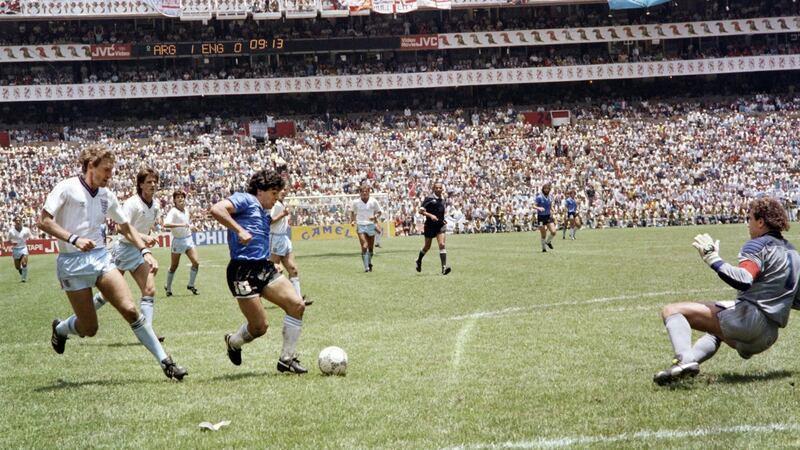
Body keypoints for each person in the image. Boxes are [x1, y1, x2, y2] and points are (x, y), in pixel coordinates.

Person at [41, 146, 187, 380]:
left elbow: (126, 225)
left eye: (111, 170)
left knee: (130, 309)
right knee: (90, 329)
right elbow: (44, 221)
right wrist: (74, 239)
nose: (110, 175)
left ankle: (166, 362)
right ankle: (60, 329)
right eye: (106, 170)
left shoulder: (106, 195)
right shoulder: (66, 187)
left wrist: (145, 250)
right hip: (71, 262)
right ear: (91, 166)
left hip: (100, 258)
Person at [653, 197, 800, 385]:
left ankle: (685, 360)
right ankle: (683, 368)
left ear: (761, 222)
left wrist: (712, 258)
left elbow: (744, 279)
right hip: (769, 336)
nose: (748, 225)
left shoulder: (757, 245)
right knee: (715, 331)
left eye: (750, 219)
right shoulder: (793, 253)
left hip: (750, 322)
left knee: (672, 311)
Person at [209, 169, 307, 374]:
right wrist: (239, 230)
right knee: (259, 327)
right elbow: (217, 209)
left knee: (297, 305)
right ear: (260, 191)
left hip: (263, 267)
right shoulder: (245, 199)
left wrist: (272, 261)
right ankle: (234, 342)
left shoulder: (264, 213)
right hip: (241, 272)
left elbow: (260, 239)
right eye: (273, 192)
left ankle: (286, 359)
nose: (277, 197)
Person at [92, 167, 165, 341]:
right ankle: (75, 319)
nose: (153, 185)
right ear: (140, 184)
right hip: (123, 250)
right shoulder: (132, 203)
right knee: (108, 294)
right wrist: (144, 237)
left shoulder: (155, 205)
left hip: (138, 250)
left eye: (155, 182)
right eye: (149, 182)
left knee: (149, 289)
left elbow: (144, 227)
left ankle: (147, 332)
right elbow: (119, 228)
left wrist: (147, 238)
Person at [269, 189, 312, 306]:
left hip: (284, 238)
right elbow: (268, 221)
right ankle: (256, 294)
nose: (283, 192)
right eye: (281, 190)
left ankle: (298, 299)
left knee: (293, 269)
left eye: (285, 190)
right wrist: (283, 214)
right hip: (275, 239)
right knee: (273, 271)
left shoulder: (281, 204)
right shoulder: (275, 205)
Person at [163, 191, 200, 296]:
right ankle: (168, 288)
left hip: (188, 239)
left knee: (196, 262)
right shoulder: (173, 211)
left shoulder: (186, 210)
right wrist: (183, 225)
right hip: (178, 241)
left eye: (182, 197)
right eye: (178, 197)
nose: (181, 199)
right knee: (174, 266)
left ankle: (191, 285)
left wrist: (192, 226)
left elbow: (187, 223)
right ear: (174, 200)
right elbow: (165, 224)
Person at [415, 181, 451, 275]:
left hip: (440, 226)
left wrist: (443, 220)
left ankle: (444, 268)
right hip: (430, 226)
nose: (439, 189)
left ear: (442, 189)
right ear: (434, 189)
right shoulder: (429, 198)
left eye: (440, 188)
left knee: (442, 245)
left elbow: (440, 212)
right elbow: (420, 211)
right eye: (437, 188)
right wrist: (430, 215)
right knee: (427, 247)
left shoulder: (443, 200)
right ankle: (419, 260)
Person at [350, 185, 383, 272]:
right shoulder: (355, 202)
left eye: (366, 191)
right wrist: (352, 221)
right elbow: (352, 212)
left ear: (369, 192)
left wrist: (375, 217)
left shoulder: (373, 201)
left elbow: (379, 212)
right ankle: (366, 267)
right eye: (362, 191)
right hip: (360, 225)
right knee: (364, 246)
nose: (364, 193)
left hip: (370, 225)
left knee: (371, 249)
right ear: (360, 193)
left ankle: (369, 262)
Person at [7, 216, 33, 282]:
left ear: (21, 221)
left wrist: (31, 238)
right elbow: (8, 240)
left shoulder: (26, 229)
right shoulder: (11, 231)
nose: (18, 222)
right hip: (15, 249)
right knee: (17, 267)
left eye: (19, 220)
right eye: (16, 221)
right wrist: (12, 242)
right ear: (14, 222)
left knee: (24, 263)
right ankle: (21, 271)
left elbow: (31, 236)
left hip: (23, 248)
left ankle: (23, 278)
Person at [535, 183, 557, 252]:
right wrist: (539, 208)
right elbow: (533, 206)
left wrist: (553, 209)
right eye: (545, 189)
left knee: (553, 232)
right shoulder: (539, 197)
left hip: (548, 216)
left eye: (547, 189)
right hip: (541, 217)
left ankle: (548, 242)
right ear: (543, 189)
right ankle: (543, 248)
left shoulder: (550, 197)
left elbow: (550, 205)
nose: (546, 190)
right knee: (543, 234)